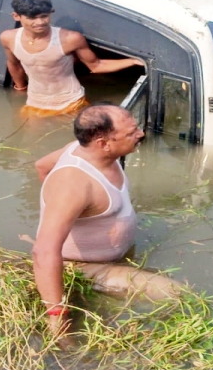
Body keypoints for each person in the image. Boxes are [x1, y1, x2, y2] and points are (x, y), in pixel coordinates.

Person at [31, 103, 180, 340]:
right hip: (83, 267)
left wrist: (64, 213)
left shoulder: (80, 149)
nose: (140, 134)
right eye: (131, 133)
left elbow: (42, 165)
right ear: (103, 143)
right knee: (176, 294)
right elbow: (43, 251)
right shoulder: (73, 184)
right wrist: (57, 315)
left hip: (115, 256)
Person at [0, 0, 142, 116]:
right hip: (35, 102)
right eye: (32, 18)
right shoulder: (8, 38)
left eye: (44, 16)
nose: (40, 22)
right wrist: (20, 88)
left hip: (71, 103)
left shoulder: (70, 39)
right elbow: (13, 63)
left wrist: (132, 61)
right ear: (16, 16)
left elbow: (96, 65)